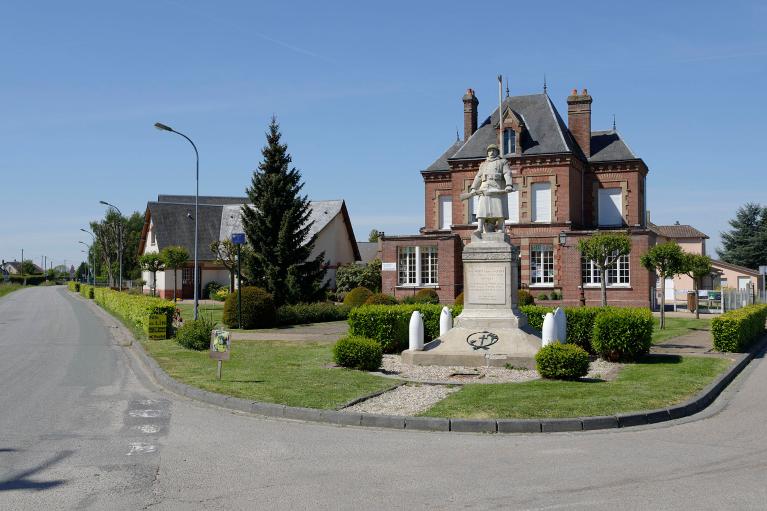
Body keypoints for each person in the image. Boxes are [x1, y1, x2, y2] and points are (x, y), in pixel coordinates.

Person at [468, 144, 513, 233]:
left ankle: (501, 228)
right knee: (482, 209)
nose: (491, 152)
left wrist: (509, 185)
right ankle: (480, 228)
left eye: (493, 150)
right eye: (489, 151)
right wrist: (473, 187)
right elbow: (478, 177)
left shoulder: (502, 162)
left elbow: (507, 173)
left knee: (499, 209)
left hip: (497, 188)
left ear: (497, 152)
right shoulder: (483, 164)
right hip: (484, 188)